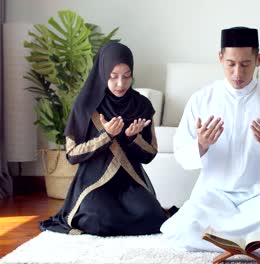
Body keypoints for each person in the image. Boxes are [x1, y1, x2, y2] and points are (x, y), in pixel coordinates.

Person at [160, 27, 260, 253]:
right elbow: (181, 152)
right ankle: (252, 245)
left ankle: (223, 243)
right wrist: (201, 145)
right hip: (214, 196)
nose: (238, 73)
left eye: (245, 64)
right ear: (220, 58)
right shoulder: (202, 99)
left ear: (258, 59)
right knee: (187, 226)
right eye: (231, 63)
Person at [40, 42, 169, 236]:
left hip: (130, 182)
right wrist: (106, 136)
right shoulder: (85, 105)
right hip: (94, 182)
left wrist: (132, 138)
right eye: (113, 76)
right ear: (102, 73)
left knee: (152, 216)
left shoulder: (141, 105)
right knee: (99, 220)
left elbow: (150, 154)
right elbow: (72, 154)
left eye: (127, 76)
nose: (121, 84)